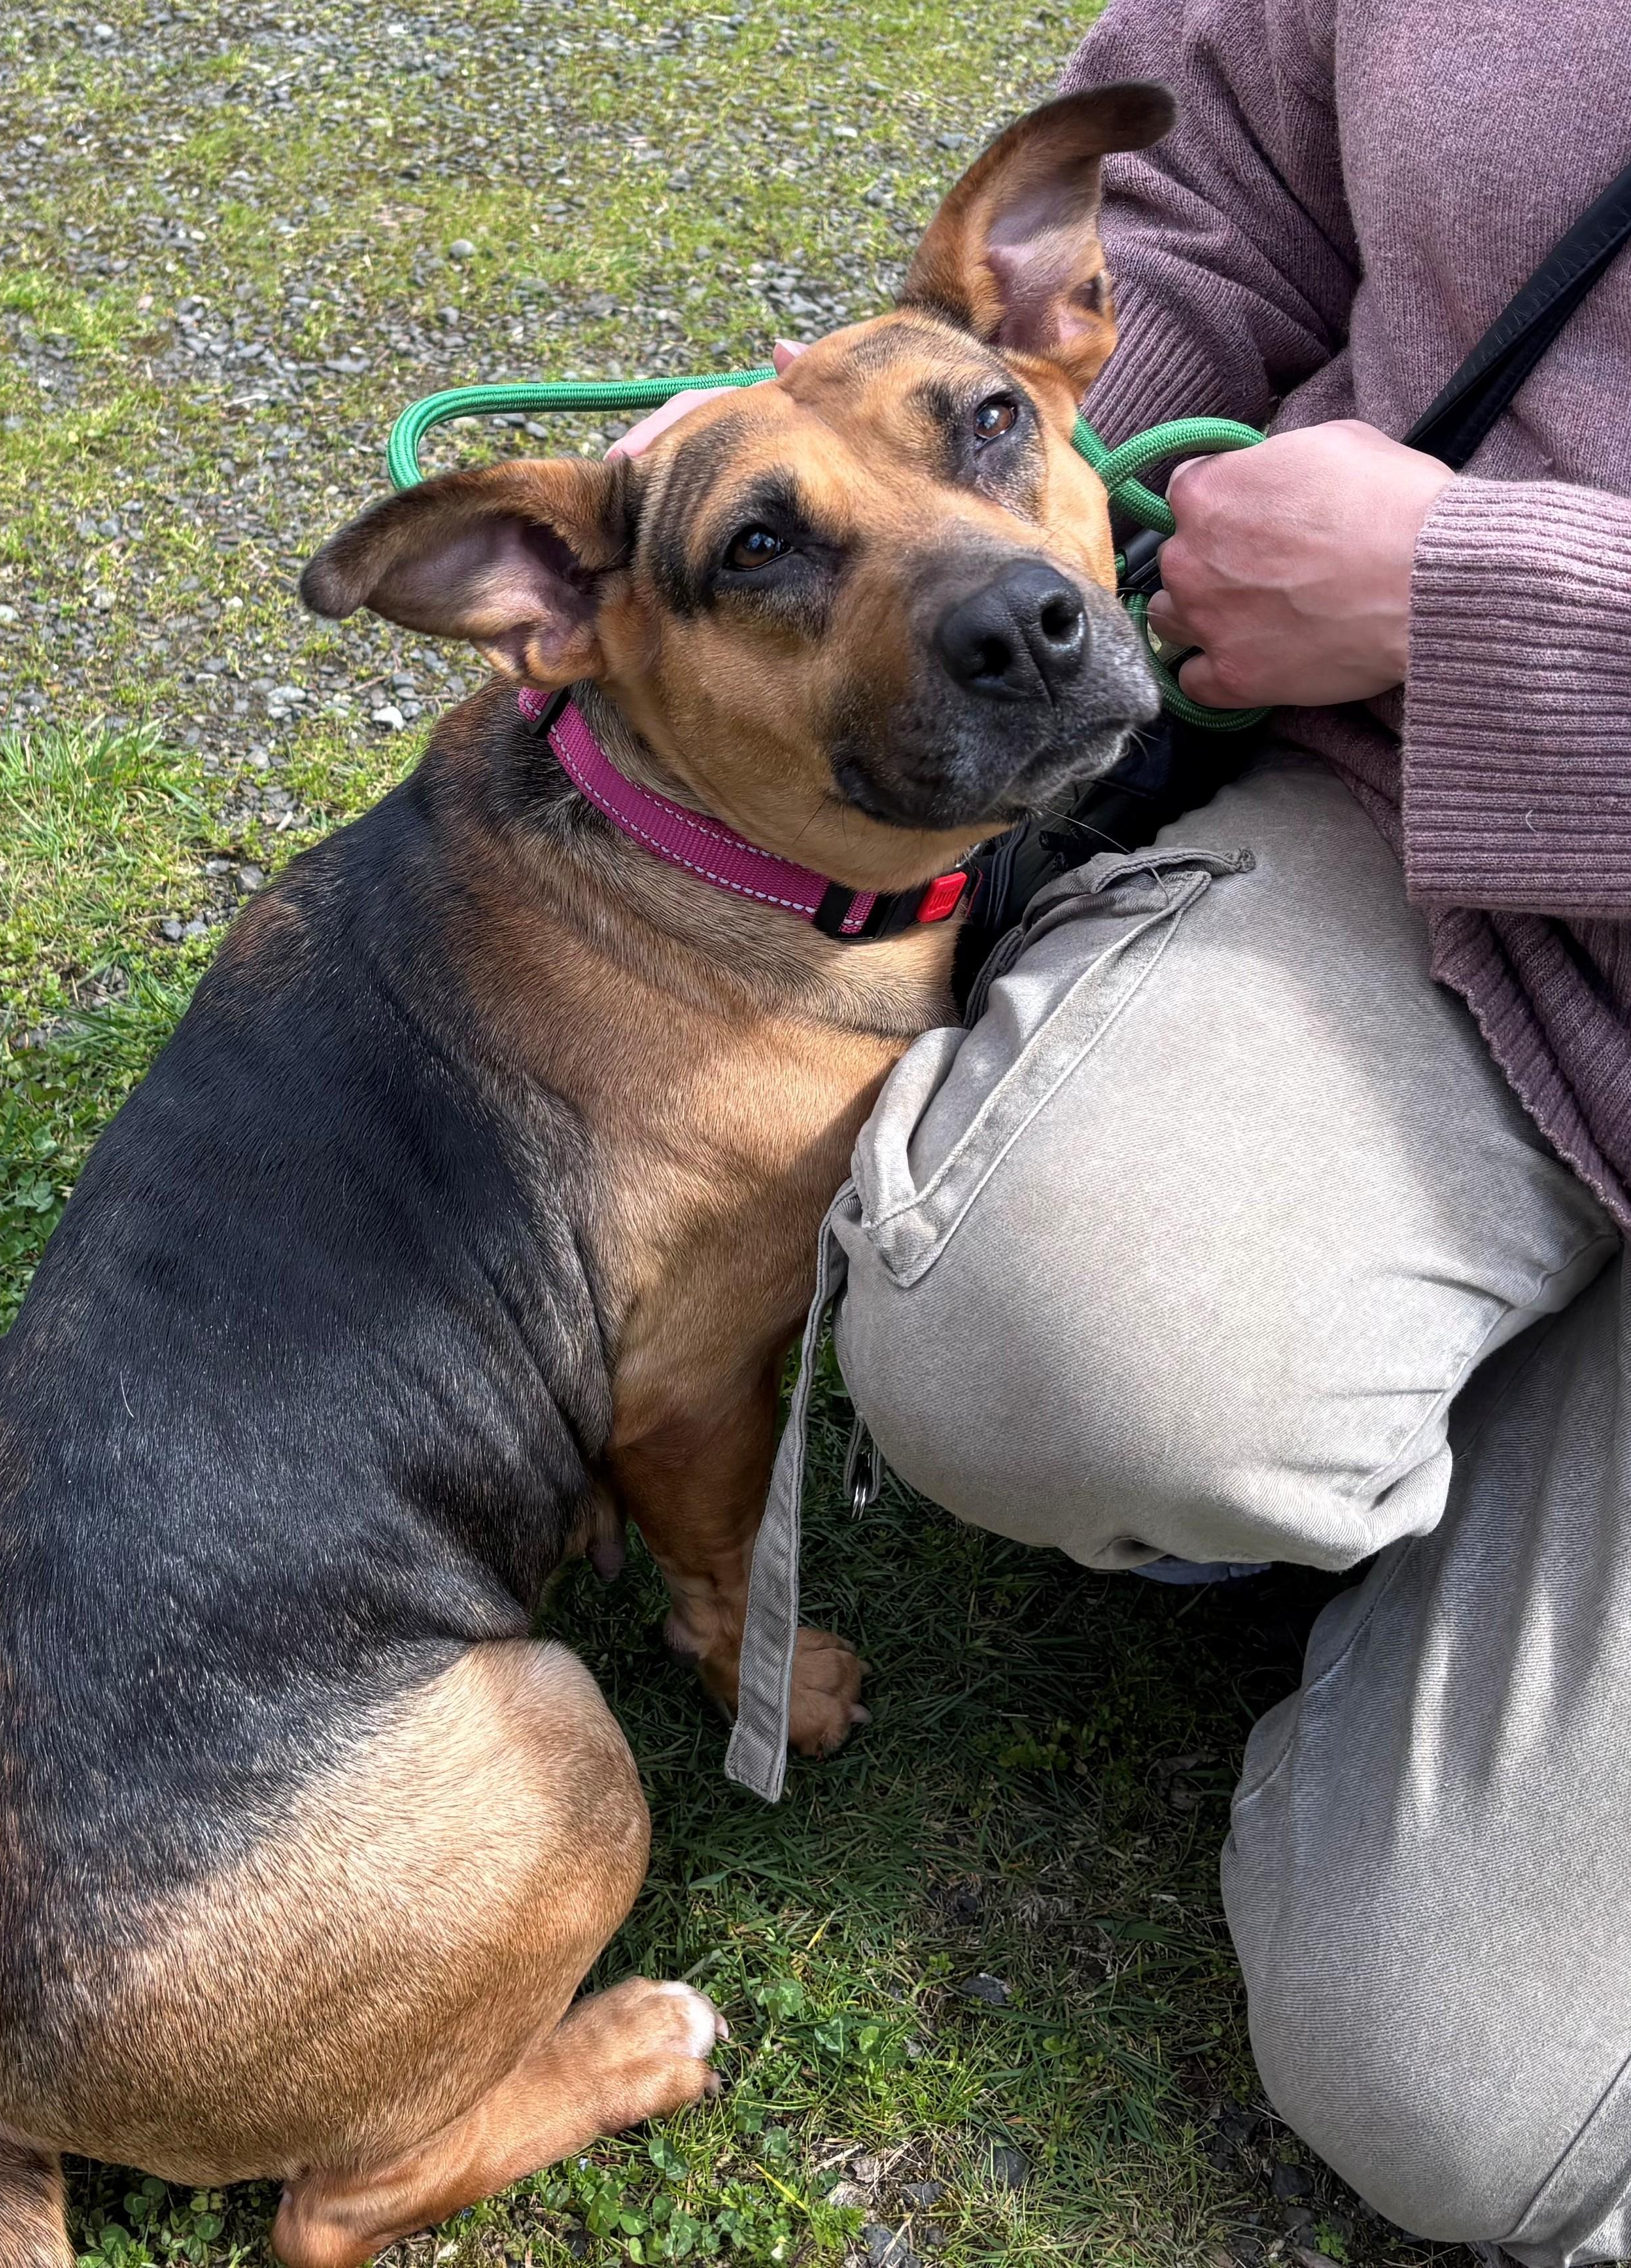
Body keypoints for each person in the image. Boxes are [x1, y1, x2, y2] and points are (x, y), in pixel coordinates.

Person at [618, 3, 1631, 2257]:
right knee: (1037, 1331)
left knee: (1474, 2096)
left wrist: (1490, 610)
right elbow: (1209, 192)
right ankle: (1402, 1431)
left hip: (1495, 684)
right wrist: (949, 439)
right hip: (1436, 858)